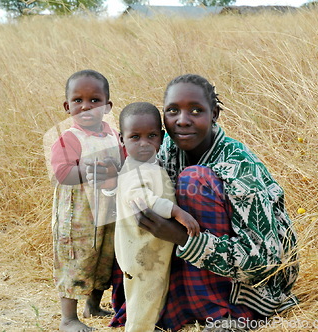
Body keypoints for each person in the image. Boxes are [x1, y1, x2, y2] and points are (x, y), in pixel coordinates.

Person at [108, 74, 299, 331]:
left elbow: (265, 263)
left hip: (258, 282)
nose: (183, 120)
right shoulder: (162, 150)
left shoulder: (238, 165)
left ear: (215, 114)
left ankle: (224, 313)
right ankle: (178, 302)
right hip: (202, 262)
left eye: (196, 111)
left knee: (194, 180)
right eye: (172, 111)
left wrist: (183, 238)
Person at [114, 102, 200, 332]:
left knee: (154, 298)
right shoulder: (134, 169)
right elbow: (141, 198)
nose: (144, 143)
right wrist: (177, 212)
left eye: (151, 135)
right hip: (142, 255)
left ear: (162, 137)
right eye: (135, 137)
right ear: (122, 139)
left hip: (152, 251)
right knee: (143, 305)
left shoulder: (149, 164)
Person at [50, 69, 123, 332]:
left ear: (107, 107)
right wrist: (85, 170)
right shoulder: (68, 138)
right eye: (78, 100)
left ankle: (93, 305)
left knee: (104, 257)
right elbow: (62, 173)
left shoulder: (114, 134)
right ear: (67, 106)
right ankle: (68, 318)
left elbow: (122, 162)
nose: (86, 106)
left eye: (94, 100)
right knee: (76, 260)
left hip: (108, 211)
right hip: (77, 218)